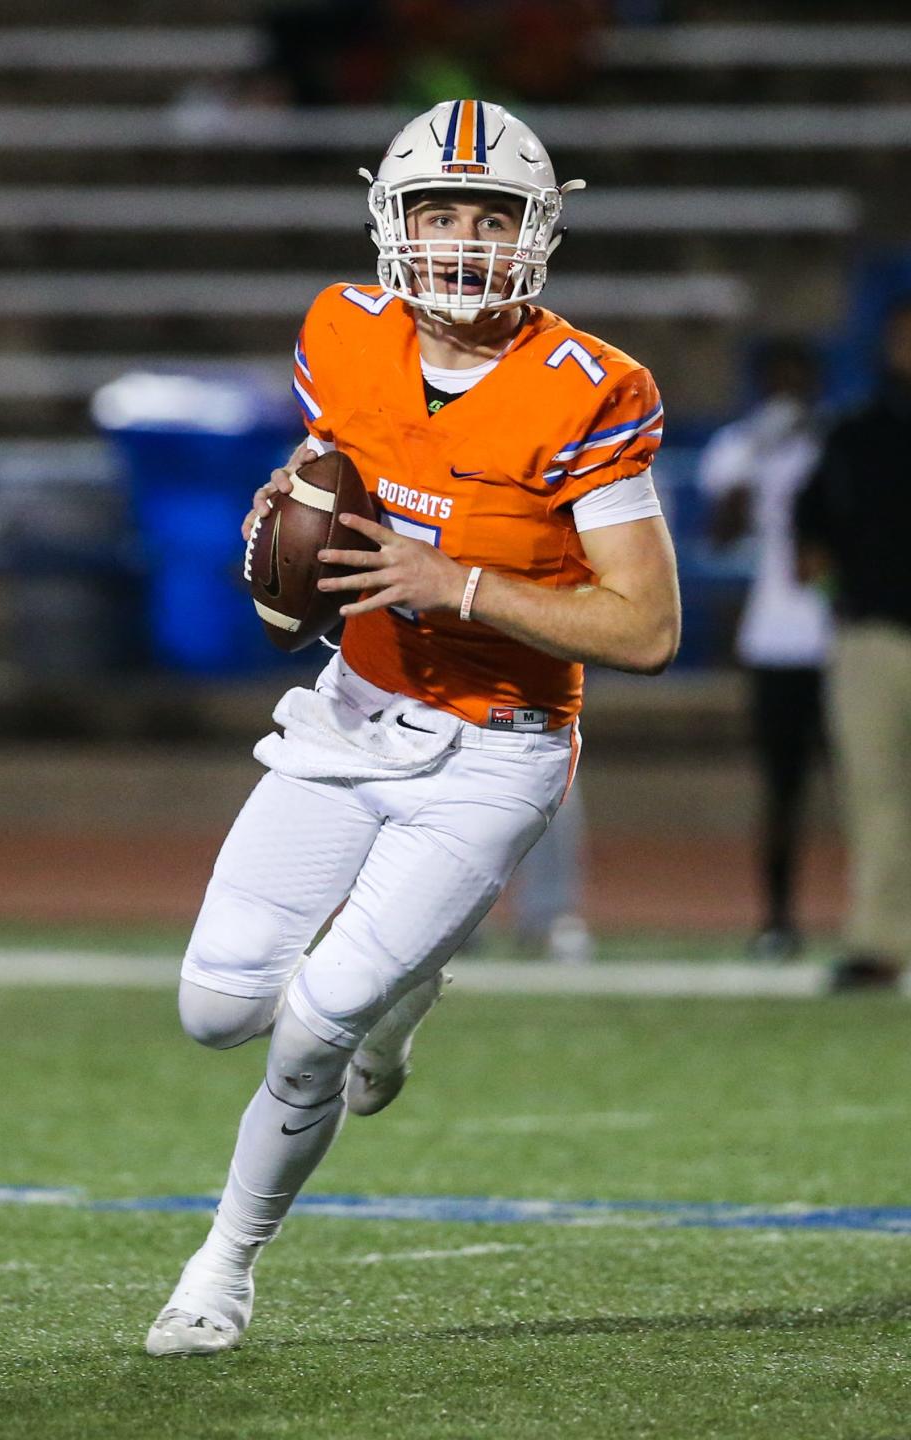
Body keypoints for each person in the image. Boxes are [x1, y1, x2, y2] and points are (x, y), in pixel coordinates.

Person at [145, 99, 680, 1357]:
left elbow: (647, 630)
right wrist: (285, 520)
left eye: (488, 216)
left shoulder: (590, 388)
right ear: (393, 221)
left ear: (535, 233)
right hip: (349, 714)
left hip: (497, 745)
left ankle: (221, 1266)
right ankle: (406, 989)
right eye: (438, 212)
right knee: (217, 1009)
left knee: (316, 1021)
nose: (459, 241)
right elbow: (335, 469)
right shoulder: (344, 330)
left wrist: (467, 587)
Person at [699, 341, 832, 959]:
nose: (789, 393)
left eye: (798, 381)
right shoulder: (741, 447)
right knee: (782, 790)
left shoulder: (838, 445)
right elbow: (722, 536)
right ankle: (778, 919)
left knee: (880, 786)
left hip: (850, 636)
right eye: (778, 381)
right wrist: (757, 456)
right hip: (778, 639)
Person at [795, 297, 911, 992]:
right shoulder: (853, 434)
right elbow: (809, 535)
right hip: (870, 635)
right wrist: (841, 594)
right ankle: (878, 940)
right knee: (875, 795)